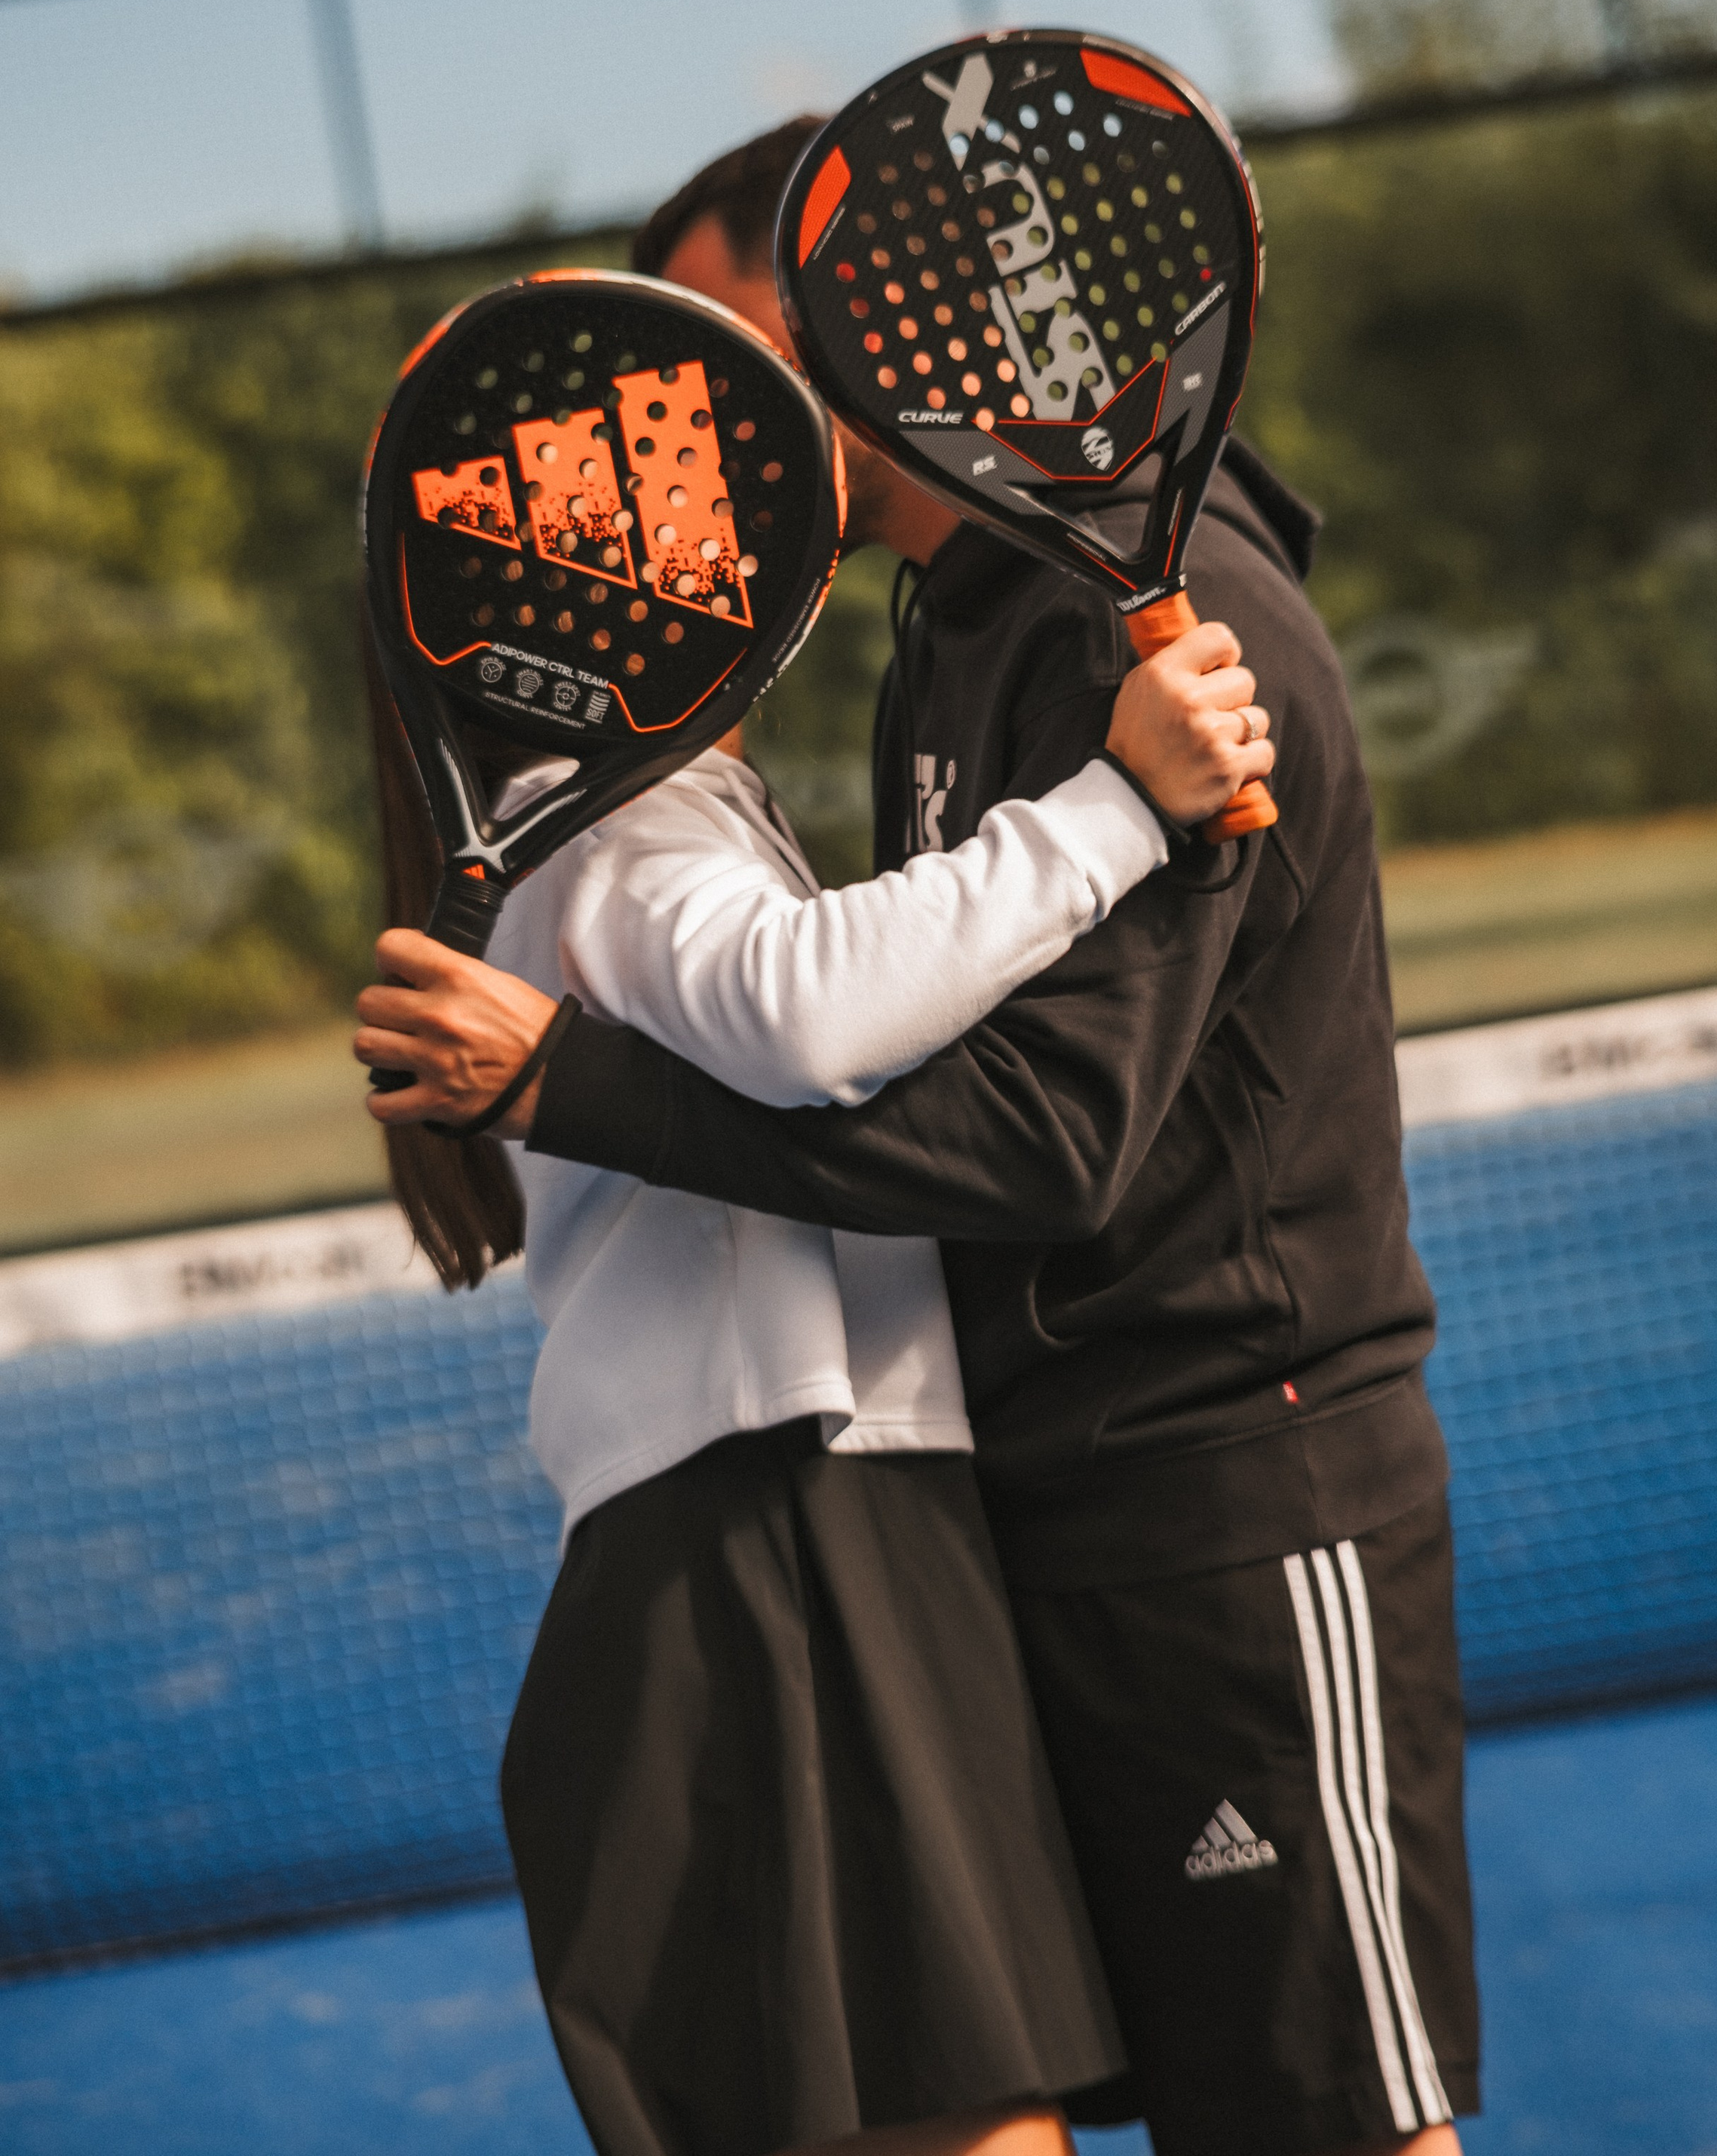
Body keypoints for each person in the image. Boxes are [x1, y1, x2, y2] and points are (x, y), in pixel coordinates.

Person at [364, 119, 1479, 2156]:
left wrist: (571, 1088)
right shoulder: (928, 649)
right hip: (947, 1523)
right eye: (678, 387)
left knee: (1320, 2123)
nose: (719, 427)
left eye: (740, 344)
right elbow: (849, 1041)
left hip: (1224, 1481)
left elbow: (1039, 1135)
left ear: (900, 315)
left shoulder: (1156, 621)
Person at [359, 415, 1274, 2156]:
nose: (742, 519)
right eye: (682, 510)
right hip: (778, 1532)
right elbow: (803, 1016)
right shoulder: (627, 817)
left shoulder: (624, 801)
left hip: (797, 1522)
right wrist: (1112, 803)